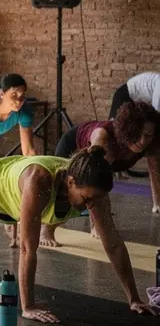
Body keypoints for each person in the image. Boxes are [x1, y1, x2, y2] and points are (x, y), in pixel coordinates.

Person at [0, 148, 159, 324]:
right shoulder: (40, 181)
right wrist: (28, 306)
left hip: (16, 203)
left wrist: (134, 298)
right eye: (87, 199)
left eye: (96, 200)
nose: (91, 206)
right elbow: (27, 248)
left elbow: (112, 244)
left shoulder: (94, 192)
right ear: (70, 183)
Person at [43, 101, 160, 244]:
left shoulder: (151, 144)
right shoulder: (104, 138)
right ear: (129, 129)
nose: (143, 141)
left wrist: (157, 203)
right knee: (68, 194)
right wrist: (97, 225)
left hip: (102, 159)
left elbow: (155, 171)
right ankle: (46, 230)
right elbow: (95, 181)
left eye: (148, 135)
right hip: (73, 145)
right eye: (139, 134)